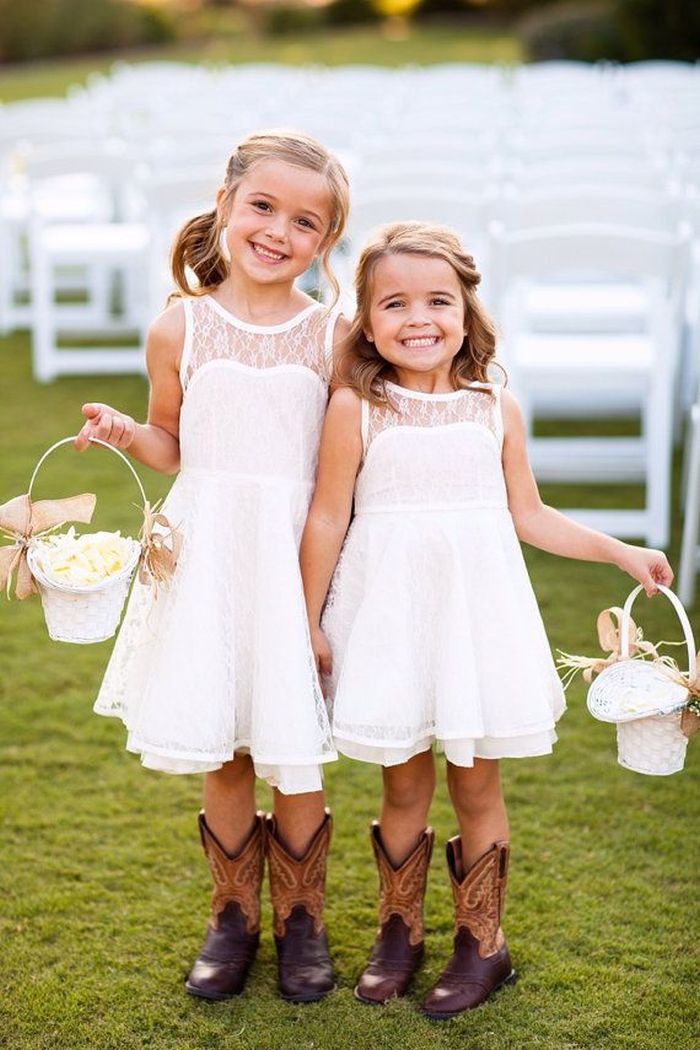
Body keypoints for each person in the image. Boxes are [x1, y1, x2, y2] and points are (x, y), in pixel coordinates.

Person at [299, 221, 673, 1019]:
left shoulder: (492, 403)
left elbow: (529, 515)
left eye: (437, 300)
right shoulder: (354, 408)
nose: (418, 318)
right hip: (392, 619)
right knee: (403, 784)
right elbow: (328, 518)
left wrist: (619, 552)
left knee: (477, 783)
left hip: (476, 620)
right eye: (394, 304)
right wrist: (311, 620)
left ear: (466, 312)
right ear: (366, 322)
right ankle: (398, 931)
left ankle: (482, 942)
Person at [74, 131, 350, 1004]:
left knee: (292, 746)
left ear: (326, 242)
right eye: (263, 206)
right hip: (209, 555)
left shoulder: (330, 336)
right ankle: (232, 917)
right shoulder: (178, 325)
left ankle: (302, 919)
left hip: (293, 555)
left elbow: (343, 465)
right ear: (226, 205)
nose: (278, 231)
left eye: (305, 221)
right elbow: (172, 442)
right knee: (226, 741)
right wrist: (128, 432)